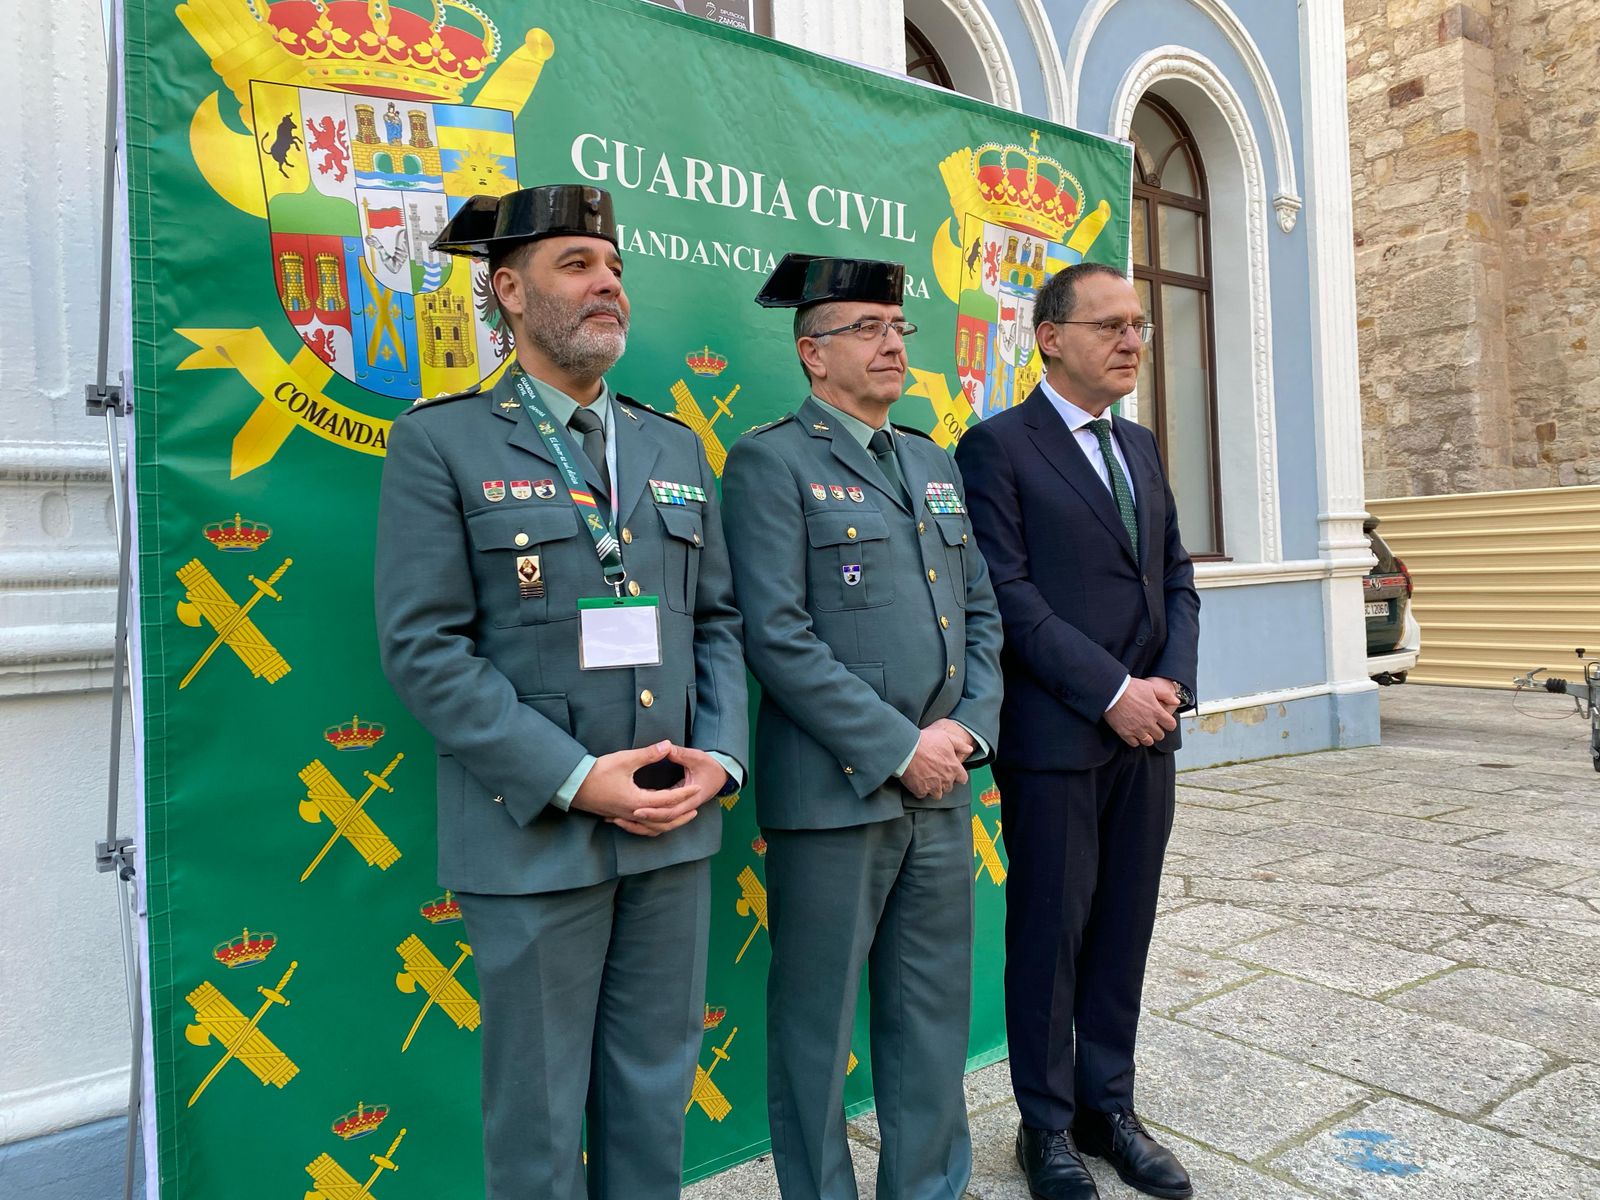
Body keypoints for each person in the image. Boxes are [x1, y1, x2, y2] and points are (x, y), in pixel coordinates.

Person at [373, 184, 746, 1200]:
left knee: (653, 1095)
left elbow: (718, 623)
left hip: (673, 824)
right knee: (537, 1126)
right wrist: (578, 778)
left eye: (614, 267)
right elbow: (425, 649)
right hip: (532, 835)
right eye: (576, 266)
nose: (607, 286)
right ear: (507, 290)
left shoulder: (672, 445)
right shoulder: (440, 442)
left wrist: (721, 757)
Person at [721, 254, 1004, 1200]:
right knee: (815, 1024)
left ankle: (927, 1188)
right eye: (866, 330)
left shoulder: (929, 459)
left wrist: (966, 732)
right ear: (812, 354)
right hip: (838, 793)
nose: (892, 344)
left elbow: (980, 612)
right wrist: (899, 747)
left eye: (898, 329)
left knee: (930, 1016)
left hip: (944, 784)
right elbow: (777, 635)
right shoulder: (771, 460)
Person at [954, 262, 1200, 1200]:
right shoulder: (997, 447)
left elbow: (1175, 577)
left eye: (1137, 324)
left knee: (1123, 933)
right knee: (1051, 939)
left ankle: (1110, 1109)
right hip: (1059, 736)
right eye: (1110, 325)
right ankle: (1045, 1127)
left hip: (1151, 735)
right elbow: (1006, 595)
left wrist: (1168, 684)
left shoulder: (1139, 444)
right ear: (1050, 337)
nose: (1132, 339)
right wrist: (1111, 691)